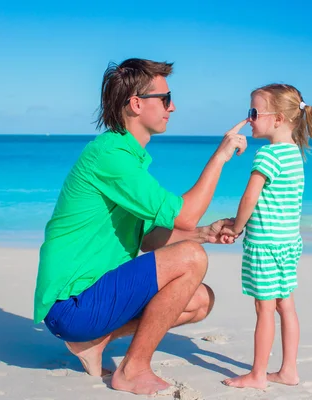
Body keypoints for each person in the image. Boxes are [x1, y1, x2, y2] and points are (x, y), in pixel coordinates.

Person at [33, 58, 248, 395]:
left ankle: (95, 341)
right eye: (165, 98)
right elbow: (185, 215)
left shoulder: (127, 157)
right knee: (191, 258)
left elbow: (150, 239)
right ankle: (131, 370)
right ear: (136, 104)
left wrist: (204, 233)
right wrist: (219, 157)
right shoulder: (110, 156)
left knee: (199, 300)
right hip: (71, 305)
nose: (172, 107)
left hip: (93, 297)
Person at [220, 83, 312, 389]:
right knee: (285, 305)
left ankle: (257, 374)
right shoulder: (295, 155)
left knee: (264, 308)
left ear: (277, 119)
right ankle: (288, 370)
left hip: (265, 245)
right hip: (289, 244)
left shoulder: (268, 155)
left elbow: (249, 198)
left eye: (253, 112)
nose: (249, 118)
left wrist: (236, 227)